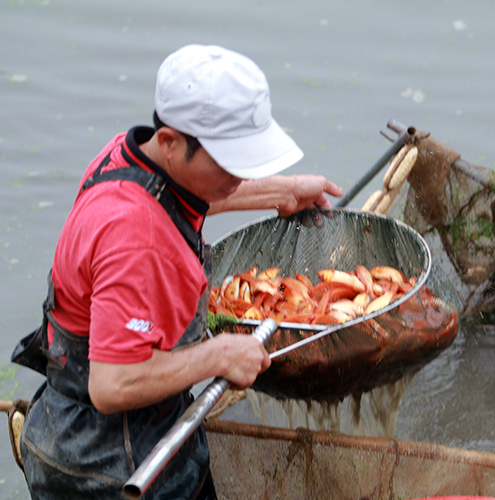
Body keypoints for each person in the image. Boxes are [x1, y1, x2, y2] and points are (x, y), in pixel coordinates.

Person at [14, 44, 344, 500]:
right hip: (114, 463)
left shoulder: (127, 157)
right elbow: (111, 384)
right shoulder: (136, 241)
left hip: (70, 425)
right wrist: (219, 355)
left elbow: (184, 193)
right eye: (229, 160)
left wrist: (281, 190)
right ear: (170, 141)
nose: (239, 173)